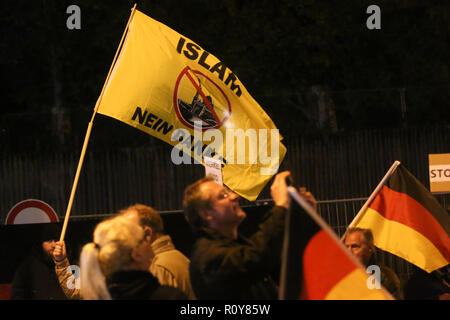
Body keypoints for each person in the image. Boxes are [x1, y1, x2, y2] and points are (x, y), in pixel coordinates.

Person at [182, 171, 291, 300]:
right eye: (223, 196)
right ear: (206, 214)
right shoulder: (209, 256)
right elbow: (256, 257)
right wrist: (281, 206)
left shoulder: (236, 245)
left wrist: (302, 213)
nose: (235, 196)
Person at [79, 215, 187, 300]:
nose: (149, 243)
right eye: (144, 239)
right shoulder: (170, 296)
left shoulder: (101, 296)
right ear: (136, 254)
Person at [120, 203, 196, 299]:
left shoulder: (159, 267)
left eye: (129, 232)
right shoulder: (176, 257)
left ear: (148, 234)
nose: (124, 240)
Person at [11, 223, 74, 299]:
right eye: (49, 240)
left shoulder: (72, 264)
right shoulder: (28, 266)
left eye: (57, 240)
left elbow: (78, 293)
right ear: (41, 243)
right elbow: (17, 294)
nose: (54, 245)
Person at [344, 227, 404, 299]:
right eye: (346, 247)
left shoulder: (385, 277)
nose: (348, 251)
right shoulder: (342, 277)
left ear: (370, 248)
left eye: (355, 246)